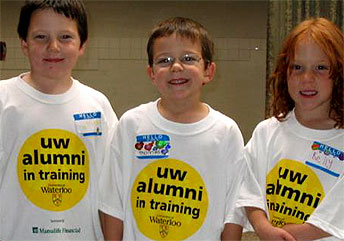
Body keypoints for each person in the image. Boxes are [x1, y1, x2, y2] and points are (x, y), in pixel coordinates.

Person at [99, 17, 245, 240]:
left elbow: (233, 214)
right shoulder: (131, 125)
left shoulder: (226, 132)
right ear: (151, 73)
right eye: (164, 60)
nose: (176, 67)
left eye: (188, 58)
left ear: (209, 70)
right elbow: (112, 204)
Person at [0, 0, 117, 240]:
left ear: (82, 44)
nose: (53, 47)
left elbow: (113, 188)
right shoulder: (4, 99)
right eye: (40, 37)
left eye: (65, 37)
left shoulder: (98, 105)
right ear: (24, 43)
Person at [237, 17, 343, 241]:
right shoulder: (267, 132)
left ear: (339, 75)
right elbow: (248, 191)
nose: (307, 78)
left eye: (321, 68)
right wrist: (263, 228)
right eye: (297, 67)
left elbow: (332, 220)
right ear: (284, 73)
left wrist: (283, 236)